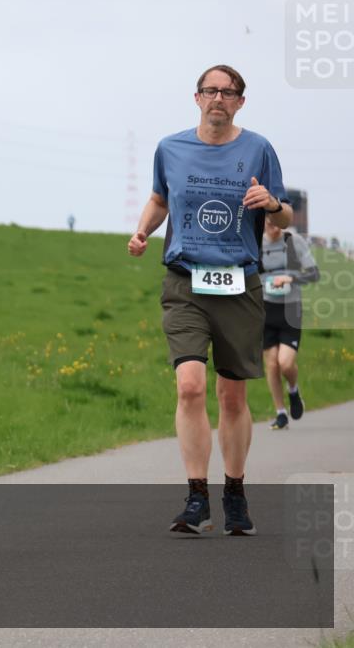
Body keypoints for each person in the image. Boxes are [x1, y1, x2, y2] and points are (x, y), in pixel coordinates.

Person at [127, 64, 293, 536]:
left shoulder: (258, 149)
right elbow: (159, 199)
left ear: (240, 102)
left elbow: (287, 212)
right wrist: (143, 230)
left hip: (239, 282)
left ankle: (234, 492)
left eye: (228, 92)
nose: (218, 98)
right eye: (210, 91)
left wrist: (270, 203)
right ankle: (196, 496)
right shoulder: (171, 148)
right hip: (185, 280)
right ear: (196, 98)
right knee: (190, 386)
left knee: (232, 395)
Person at [260, 219, 319, 429]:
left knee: (285, 363)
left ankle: (293, 390)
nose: (272, 224)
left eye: (276, 221)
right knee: (272, 363)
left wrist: (290, 279)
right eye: (268, 220)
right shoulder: (257, 243)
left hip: (290, 308)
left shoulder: (294, 242)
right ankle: (280, 413)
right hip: (265, 308)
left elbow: (314, 273)